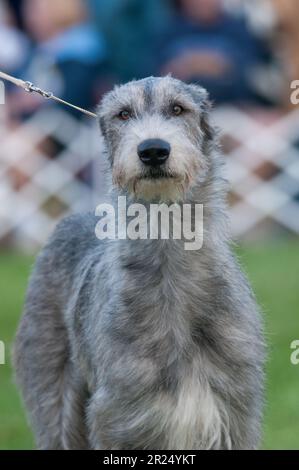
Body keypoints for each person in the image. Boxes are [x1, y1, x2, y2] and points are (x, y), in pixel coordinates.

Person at [155, 0, 272, 104]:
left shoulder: (239, 31)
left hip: (235, 111)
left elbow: (256, 80)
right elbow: (153, 82)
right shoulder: (166, 34)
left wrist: (223, 66)